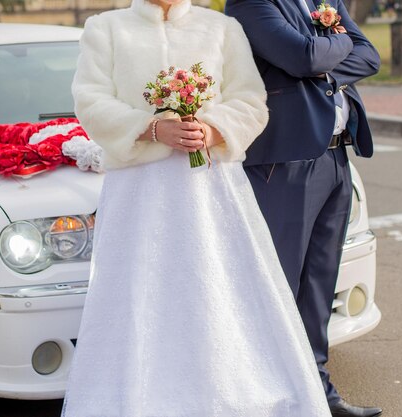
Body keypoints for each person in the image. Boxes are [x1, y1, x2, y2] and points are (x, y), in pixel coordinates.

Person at [61, 0, 334, 415]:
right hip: (139, 191)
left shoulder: (222, 28)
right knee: (140, 289)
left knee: (217, 284)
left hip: (211, 189)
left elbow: (250, 100)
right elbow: (90, 100)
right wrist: (153, 128)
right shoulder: (106, 28)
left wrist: (211, 128)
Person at [224, 0, 382, 416]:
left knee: (318, 288)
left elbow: (370, 54)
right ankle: (267, 398)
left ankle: (318, 396)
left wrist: (319, 70)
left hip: (335, 157)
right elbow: (301, 56)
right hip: (284, 163)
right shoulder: (250, 4)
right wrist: (330, 50)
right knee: (279, 286)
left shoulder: (322, 0)